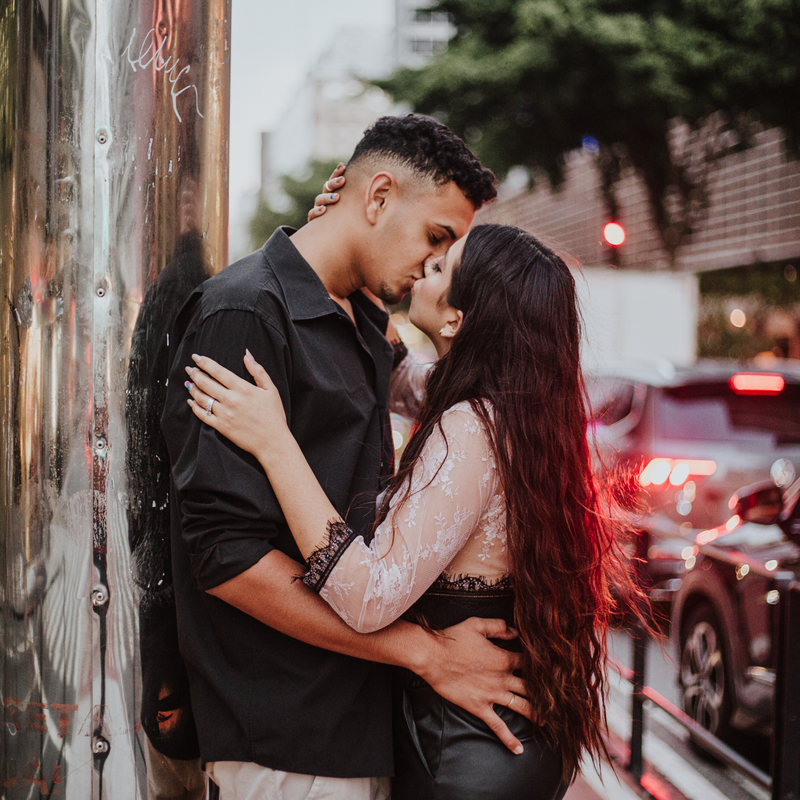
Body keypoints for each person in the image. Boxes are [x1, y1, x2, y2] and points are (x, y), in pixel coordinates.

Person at [184, 223, 631, 799]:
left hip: (464, 754)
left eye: (444, 267)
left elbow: (368, 596)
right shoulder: (518, 410)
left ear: (457, 321)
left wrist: (274, 442)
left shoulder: (470, 428)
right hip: (498, 744)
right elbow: (394, 372)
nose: (427, 265)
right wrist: (347, 247)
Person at [160, 115, 525, 800]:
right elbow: (227, 560)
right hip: (284, 739)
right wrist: (425, 654)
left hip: (355, 724)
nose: (435, 264)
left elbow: (439, 386)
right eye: (437, 237)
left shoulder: (360, 319)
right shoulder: (243, 314)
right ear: (378, 197)